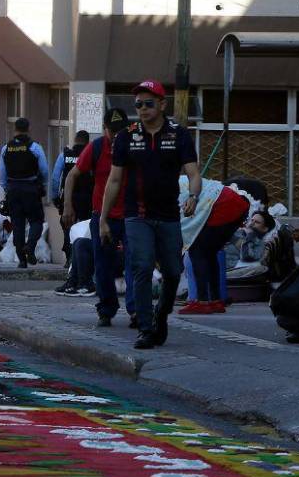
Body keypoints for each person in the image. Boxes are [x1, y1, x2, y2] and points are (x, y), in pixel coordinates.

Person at [100, 80, 201, 349]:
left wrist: (193, 196)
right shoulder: (126, 136)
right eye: (138, 105)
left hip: (169, 215)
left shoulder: (178, 135)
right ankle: (145, 327)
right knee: (141, 267)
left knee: (171, 271)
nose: (142, 109)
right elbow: (114, 180)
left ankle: (161, 315)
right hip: (137, 215)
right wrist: (103, 219)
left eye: (148, 103)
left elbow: (193, 173)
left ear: (162, 104)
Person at [63, 107, 135, 327]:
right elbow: (72, 176)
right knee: (102, 266)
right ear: (104, 129)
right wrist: (68, 206)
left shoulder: (135, 146)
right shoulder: (95, 148)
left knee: (135, 264)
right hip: (102, 217)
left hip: (132, 216)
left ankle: (136, 311)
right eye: (111, 131)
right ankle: (106, 309)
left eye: (120, 131)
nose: (115, 136)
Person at [180, 182, 249, 314]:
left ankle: (203, 302)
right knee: (209, 252)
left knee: (197, 250)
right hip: (235, 205)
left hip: (224, 205)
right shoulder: (177, 180)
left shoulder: (166, 188)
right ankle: (215, 300)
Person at [0, 117, 49, 267]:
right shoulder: (35, 147)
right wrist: (43, 185)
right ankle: (30, 246)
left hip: (13, 189)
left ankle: (22, 260)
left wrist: (7, 189)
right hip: (31, 188)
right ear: (28, 129)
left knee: (18, 225)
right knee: (36, 221)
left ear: (15, 130)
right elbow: (44, 170)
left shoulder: (6, 148)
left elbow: (2, 173)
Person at [52, 130, 92, 263]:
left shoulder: (65, 154)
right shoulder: (92, 154)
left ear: (75, 140)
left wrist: (55, 198)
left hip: (69, 198)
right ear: (87, 142)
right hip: (88, 198)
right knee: (86, 230)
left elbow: (56, 178)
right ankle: (82, 260)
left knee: (68, 226)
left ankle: (69, 258)